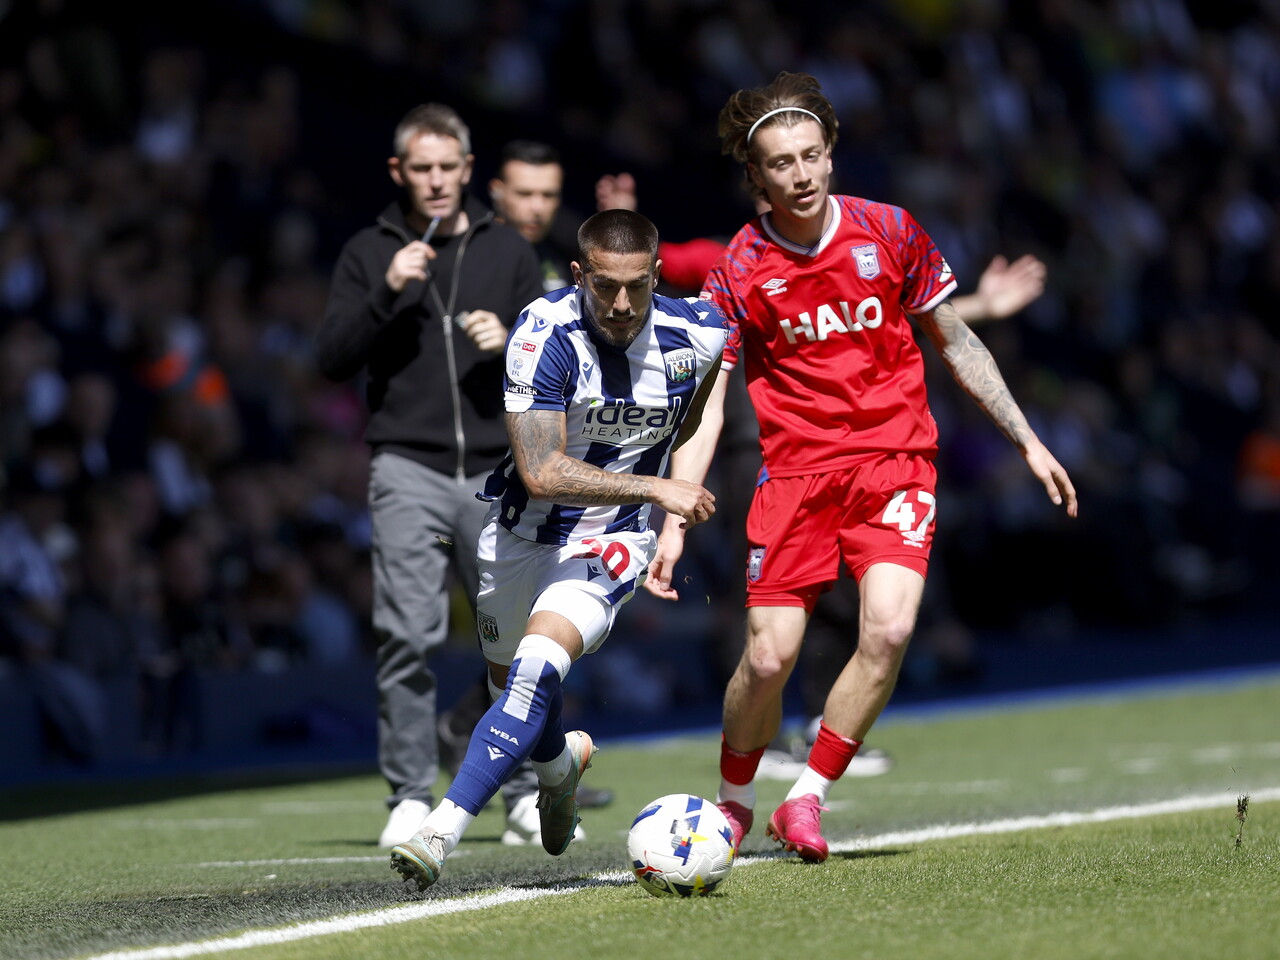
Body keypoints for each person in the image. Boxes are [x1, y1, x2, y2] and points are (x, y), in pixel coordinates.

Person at [646, 72, 1077, 862]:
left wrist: (1029, 438)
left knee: (891, 628)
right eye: (782, 163)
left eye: (813, 156)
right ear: (756, 176)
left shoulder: (892, 231)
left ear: (832, 154)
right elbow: (708, 401)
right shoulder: (738, 268)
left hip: (895, 464)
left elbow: (957, 339)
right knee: (770, 656)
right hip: (796, 479)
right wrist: (674, 514)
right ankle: (735, 801)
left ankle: (805, 799)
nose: (802, 174)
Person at [599, 172, 1049, 778]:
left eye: (807, 162)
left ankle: (816, 725)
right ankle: (761, 728)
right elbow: (652, 267)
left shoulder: (865, 237)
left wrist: (982, 309)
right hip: (756, 454)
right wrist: (627, 225)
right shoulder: (731, 258)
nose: (794, 187)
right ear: (758, 187)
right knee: (764, 616)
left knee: (857, 607)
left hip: (857, 458)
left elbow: (882, 313)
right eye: (776, 175)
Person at [389, 208, 727, 890]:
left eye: (638, 285)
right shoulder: (542, 333)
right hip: (517, 535)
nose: (623, 303)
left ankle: (439, 831)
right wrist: (660, 487)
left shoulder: (701, 334)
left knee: (535, 671)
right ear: (579, 275)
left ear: (658, 275)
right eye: (605, 286)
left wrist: (667, 516)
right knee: (512, 691)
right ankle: (559, 767)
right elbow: (542, 469)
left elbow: (693, 419)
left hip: (609, 543)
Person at [315, 103, 546, 849]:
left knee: (510, 641)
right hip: (406, 466)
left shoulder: (507, 250)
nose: (438, 181)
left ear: (469, 171)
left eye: (449, 168)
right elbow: (331, 360)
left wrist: (511, 341)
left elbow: (556, 368)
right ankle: (410, 794)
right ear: (399, 173)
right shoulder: (367, 252)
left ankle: (516, 790)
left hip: (494, 469)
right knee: (406, 637)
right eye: (423, 169)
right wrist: (387, 291)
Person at [435, 139, 616, 811]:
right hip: (478, 469)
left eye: (549, 194)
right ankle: (525, 780)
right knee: (512, 634)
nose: (539, 207)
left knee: (537, 630)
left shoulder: (552, 265)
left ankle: (494, 747)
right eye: (526, 194)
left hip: (549, 467)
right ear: (496, 193)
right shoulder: (465, 260)